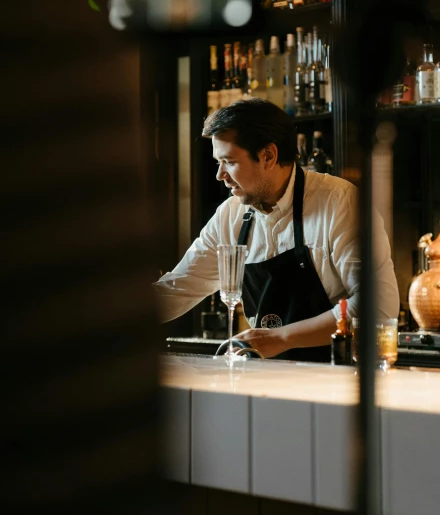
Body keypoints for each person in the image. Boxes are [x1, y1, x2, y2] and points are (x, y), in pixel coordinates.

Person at [154, 98, 399, 361]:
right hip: (266, 378)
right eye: (218, 163)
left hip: (337, 377)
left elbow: (379, 306)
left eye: (229, 161)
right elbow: (177, 288)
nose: (220, 175)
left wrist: (282, 338)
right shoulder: (230, 215)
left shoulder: (339, 203)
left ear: (268, 156)